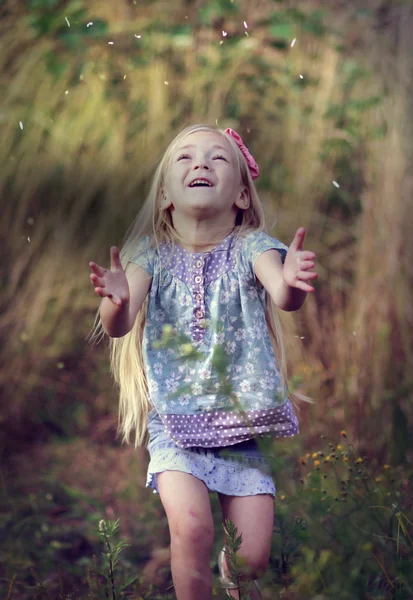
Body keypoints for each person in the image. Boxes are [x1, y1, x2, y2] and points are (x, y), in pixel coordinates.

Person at [87, 124, 317, 600]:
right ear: (166, 194)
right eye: (186, 159)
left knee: (250, 560)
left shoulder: (254, 246)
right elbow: (119, 324)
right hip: (175, 422)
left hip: (246, 426)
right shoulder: (148, 255)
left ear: (241, 196)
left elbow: (284, 296)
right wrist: (114, 300)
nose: (201, 165)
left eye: (218, 159)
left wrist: (292, 280)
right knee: (191, 530)